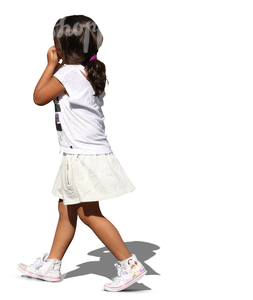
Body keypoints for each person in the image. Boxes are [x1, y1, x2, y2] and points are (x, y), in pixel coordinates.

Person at [17, 15, 147, 292]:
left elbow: (38, 97)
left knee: (89, 213)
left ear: (61, 47)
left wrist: (51, 65)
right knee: (66, 209)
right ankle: (52, 264)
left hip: (82, 156)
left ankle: (130, 264)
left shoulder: (66, 74)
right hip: (85, 154)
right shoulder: (90, 71)